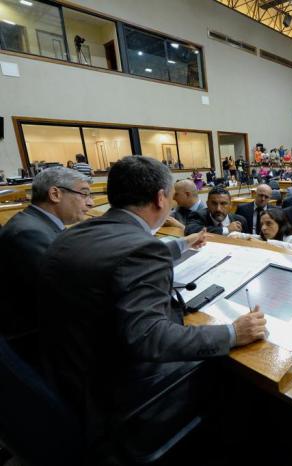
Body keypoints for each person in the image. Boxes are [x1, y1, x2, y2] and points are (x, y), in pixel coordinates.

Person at [38, 156, 267, 458]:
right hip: (127, 395)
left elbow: (116, 257)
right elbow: (151, 339)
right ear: (161, 198)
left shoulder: (72, 234)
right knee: (239, 375)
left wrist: (181, 245)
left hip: (71, 375)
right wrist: (231, 333)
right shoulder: (142, 250)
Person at [0, 167, 93, 364]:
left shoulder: (36, 224)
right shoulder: (29, 232)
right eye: (84, 194)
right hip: (34, 342)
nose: (91, 203)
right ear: (55, 194)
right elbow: (65, 289)